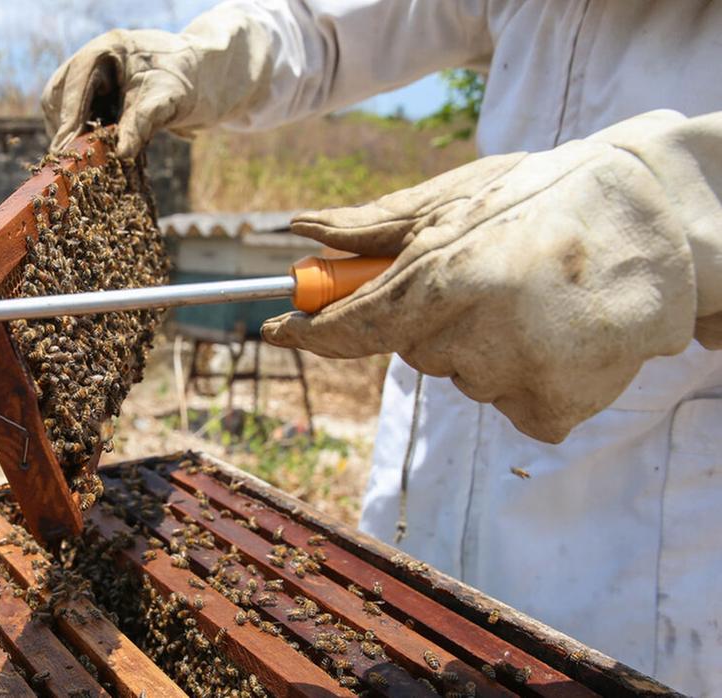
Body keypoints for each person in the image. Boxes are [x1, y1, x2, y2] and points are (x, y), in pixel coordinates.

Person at [43, 1, 722, 694]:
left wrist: (674, 207)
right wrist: (201, 56)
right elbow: (329, 23)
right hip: (442, 482)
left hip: (651, 545)